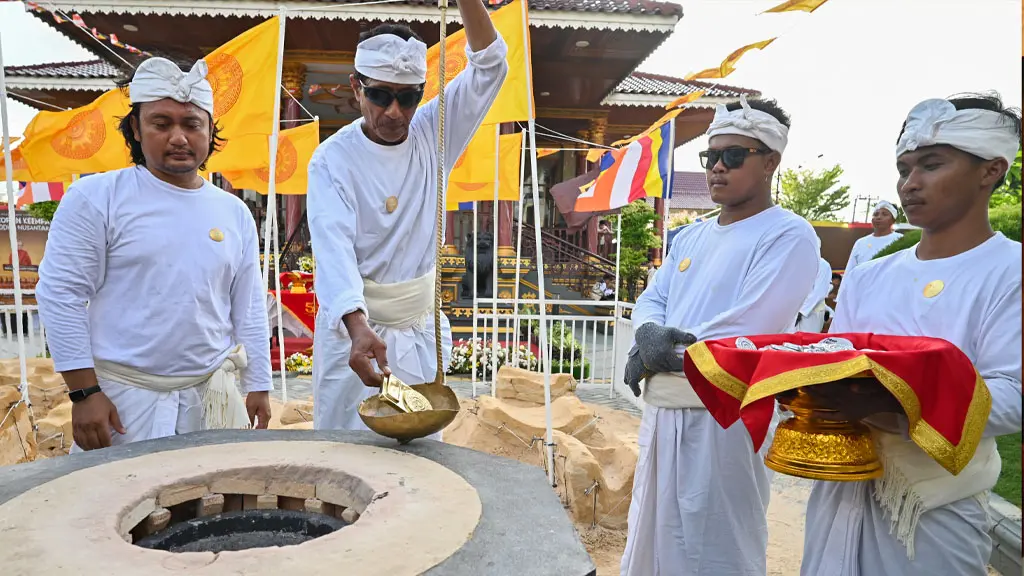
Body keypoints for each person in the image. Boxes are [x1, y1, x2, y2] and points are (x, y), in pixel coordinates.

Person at [801, 93, 1022, 575]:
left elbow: (1014, 396)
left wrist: (890, 401)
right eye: (904, 169)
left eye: (931, 165)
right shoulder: (869, 275)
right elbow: (834, 356)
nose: (910, 184)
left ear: (991, 170)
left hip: (930, 508)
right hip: (840, 487)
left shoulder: (1011, 271)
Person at [620, 95, 819, 576]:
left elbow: (749, 328)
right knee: (653, 533)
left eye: (734, 156)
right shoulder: (689, 237)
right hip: (664, 416)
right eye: (712, 157)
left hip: (727, 418)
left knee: (718, 543)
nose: (718, 168)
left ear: (771, 162)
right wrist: (648, 331)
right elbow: (654, 297)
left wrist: (655, 355)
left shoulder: (789, 235)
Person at [36, 57, 272, 451]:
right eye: (162, 124)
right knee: (121, 506)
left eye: (192, 124)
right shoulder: (97, 198)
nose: (178, 137)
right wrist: (83, 393)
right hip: (122, 402)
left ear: (210, 128)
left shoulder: (233, 211)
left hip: (209, 397)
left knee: (212, 505)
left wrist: (259, 384)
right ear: (136, 128)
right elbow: (61, 295)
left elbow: (247, 304)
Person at [306, 2, 507, 431]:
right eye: (380, 95)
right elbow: (333, 247)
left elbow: (490, 66)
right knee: (346, 457)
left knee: (417, 462)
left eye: (409, 97)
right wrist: (357, 326)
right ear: (355, 88)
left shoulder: (433, 132)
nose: (394, 112)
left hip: (417, 331)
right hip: (355, 335)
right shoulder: (331, 160)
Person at [845, 199, 902, 271]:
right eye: (876, 214)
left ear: (893, 220)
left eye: (884, 214)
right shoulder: (860, 243)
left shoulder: (900, 240)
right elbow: (850, 271)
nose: (878, 217)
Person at [794, 238, 835, 333]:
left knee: (807, 342)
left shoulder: (823, 265)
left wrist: (802, 311)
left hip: (812, 312)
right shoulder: (797, 263)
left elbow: (818, 292)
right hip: (794, 312)